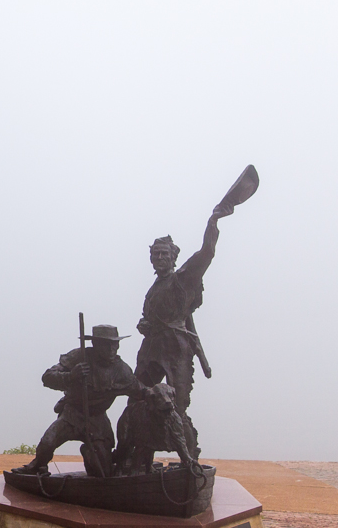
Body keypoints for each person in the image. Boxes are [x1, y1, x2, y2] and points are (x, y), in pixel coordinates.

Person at [135, 202, 232, 458]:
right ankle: (139, 455)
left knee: (177, 406)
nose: (159, 258)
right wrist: (144, 325)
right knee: (139, 399)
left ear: (173, 257)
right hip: (151, 349)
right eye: (155, 254)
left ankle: (188, 459)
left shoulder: (183, 279)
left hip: (175, 349)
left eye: (164, 254)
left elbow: (206, 254)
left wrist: (213, 223)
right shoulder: (153, 289)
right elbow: (155, 319)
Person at [12, 325, 141, 477]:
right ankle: (38, 467)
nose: (112, 349)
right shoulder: (80, 356)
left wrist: (159, 394)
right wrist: (71, 376)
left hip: (97, 421)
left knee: (103, 471)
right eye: (107, 344)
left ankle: (90, 452)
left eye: (115, 344)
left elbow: (139, 389)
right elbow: (47, 377)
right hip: (72, 415)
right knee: (47, 442)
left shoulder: (122, 370)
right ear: (95, 344)